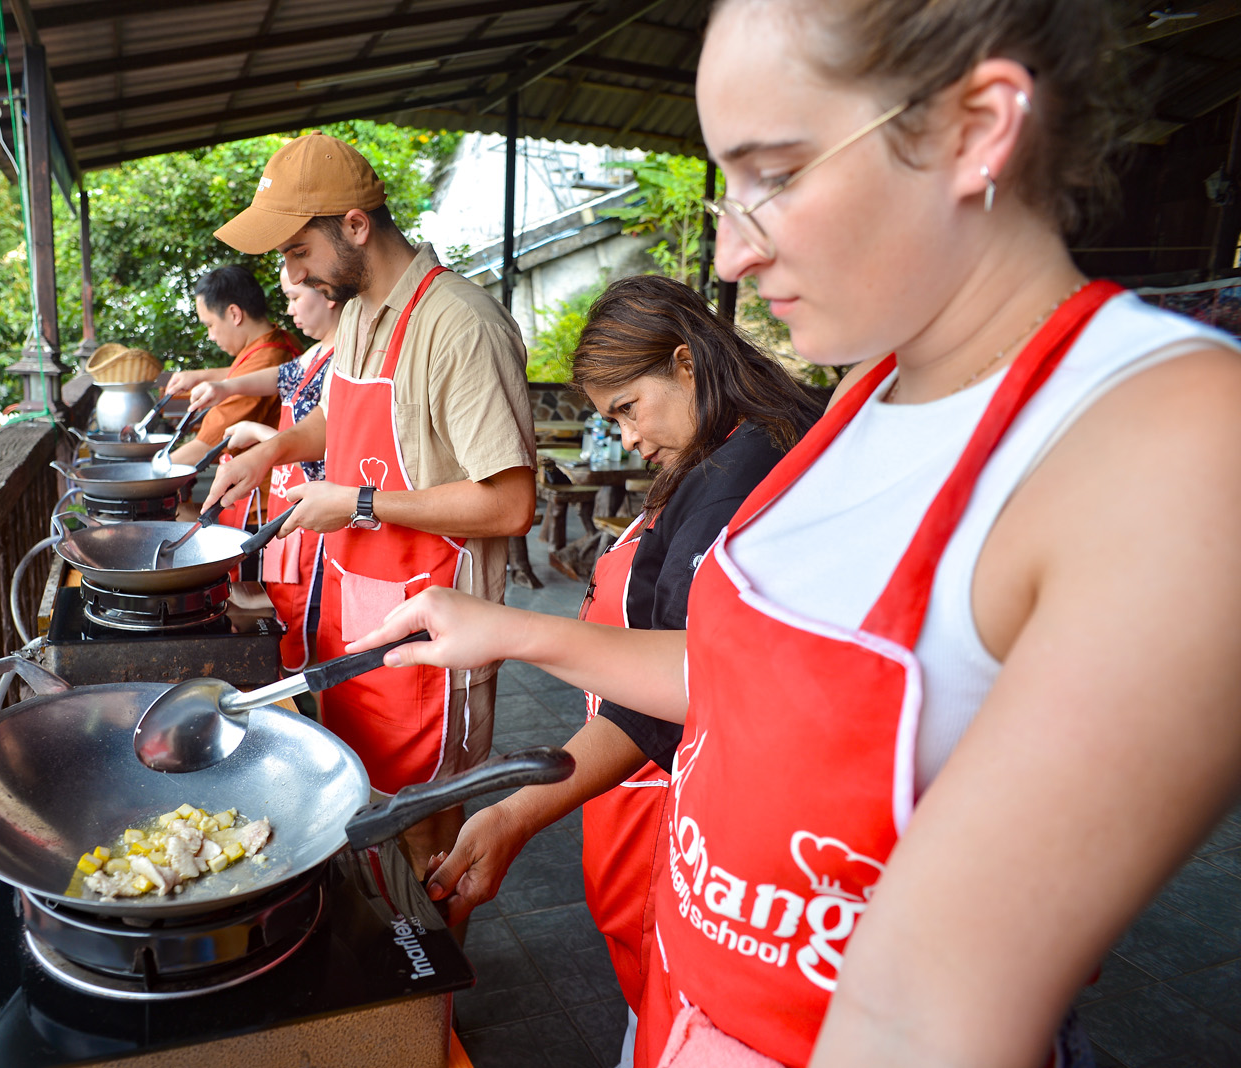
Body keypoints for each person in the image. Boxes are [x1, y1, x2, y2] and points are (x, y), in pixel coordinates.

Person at [348, 2, 1241, 1066]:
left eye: (774, 175)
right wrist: (505, 629)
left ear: (977, 127)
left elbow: (925, 1009)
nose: (730, 251)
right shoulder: (864, 398)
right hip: (684, 1014)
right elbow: (738, 675)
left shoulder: (1169, 442)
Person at [424, 273, 825, 1063]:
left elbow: (681, 687)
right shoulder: (752, 437)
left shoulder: (733, 482)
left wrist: (508, 635)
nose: (630, 439)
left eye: (628, 410)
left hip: (704, 808)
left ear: (686, 364)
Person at [204, 132, 537, 879]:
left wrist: (357, 502)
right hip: (353, 619)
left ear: (355, 225)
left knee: (427, 835)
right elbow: (343, 421)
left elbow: (511, 504)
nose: (291, 273)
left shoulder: (459, 325)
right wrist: (275, 450)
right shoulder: (357, 313)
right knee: (372, 817)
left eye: (297, 252)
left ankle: (433, 991)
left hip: (431, 634)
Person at [190, 264, 342, 670]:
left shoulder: (348, 352)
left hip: (322, 518)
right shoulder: (319, 349)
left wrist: (263, 441)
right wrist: (224, 387)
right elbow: (283, 377)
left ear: (328, 291)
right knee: (286, 618)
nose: (288, 309)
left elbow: (333, 446)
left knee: (316, 633)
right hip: (288, 506)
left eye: (294, 297)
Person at [160, 265, 300, 468]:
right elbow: (250, 370)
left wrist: (148, 474)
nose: (211, 336)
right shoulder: (282, 340)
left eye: (210, 325)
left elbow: (206, 445)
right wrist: (202, 376)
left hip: (267, 491)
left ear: (234, 314)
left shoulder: (268, 357)